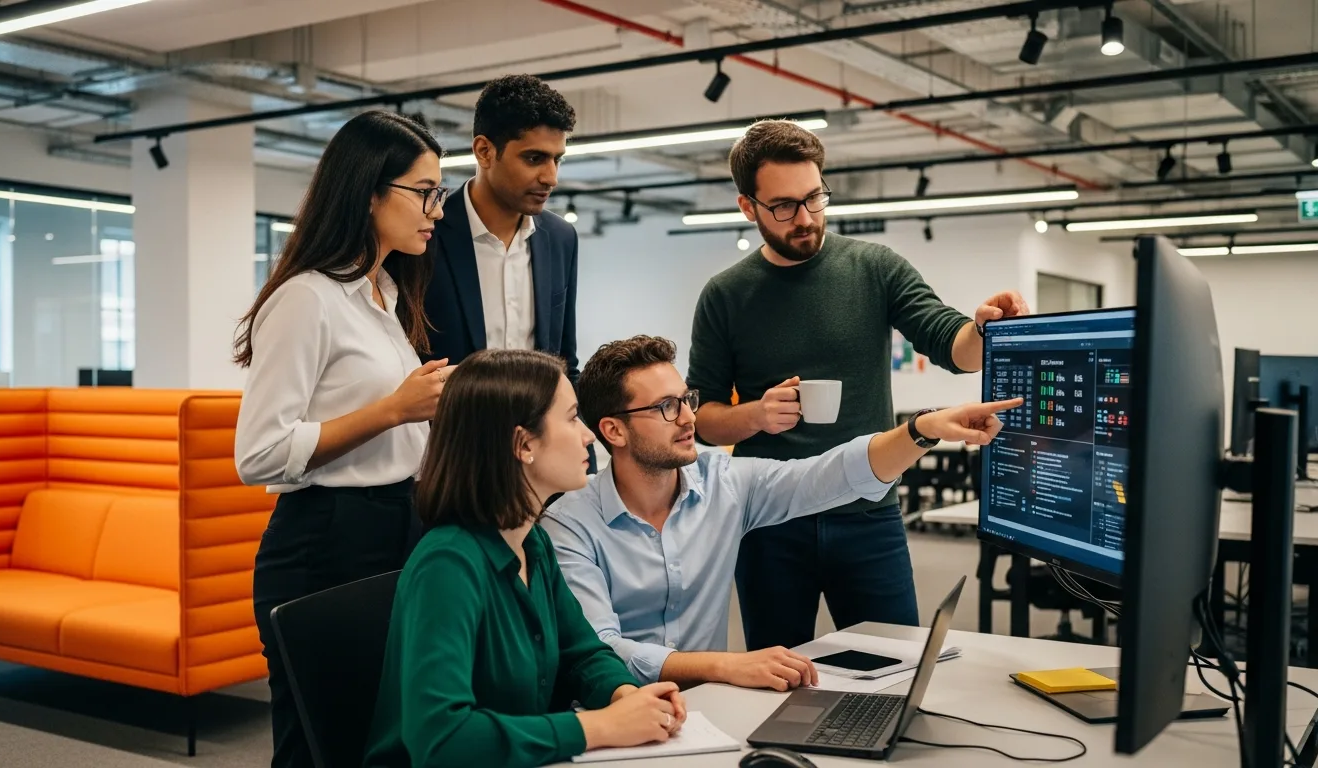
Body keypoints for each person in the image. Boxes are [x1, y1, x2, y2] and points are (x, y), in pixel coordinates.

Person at [687, 119, 1032, 652]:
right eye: (783, 206)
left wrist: (982, 329)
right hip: (770, 525)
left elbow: (952, 344)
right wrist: (755, 415)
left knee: (895, 665)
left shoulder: (874, 269)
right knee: (775, 675)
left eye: (814, 198)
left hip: (869, 515)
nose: (805, 219)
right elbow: (702, 421)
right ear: (747, 207)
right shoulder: (725, 295)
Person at [542, 336, 1019, 689]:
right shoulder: (570, 523)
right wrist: (723, 664)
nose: (690, 418)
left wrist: (921, 430)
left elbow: (827, 475)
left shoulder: (722, 482)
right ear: (614, 431)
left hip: (713, 706)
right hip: (616, 715)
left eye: (685, 400)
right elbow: (600, 648)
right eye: (667, 407)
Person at [234, 110, 454, 768]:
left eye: (439, 195)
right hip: (327, 537)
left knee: (378, 736)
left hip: (396, 523)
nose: (436, 212)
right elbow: (259, 453)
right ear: (368, 191)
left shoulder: (384, 291)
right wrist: (394, 409)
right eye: (425, 193)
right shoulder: (308, 298)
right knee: (320, 743)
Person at [365, 349, 688, 768]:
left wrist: (626, 696)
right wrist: (601, 727)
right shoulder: (447, 565)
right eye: (572, 418)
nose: (588, 436)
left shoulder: (532, 542)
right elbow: (442, 740)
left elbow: (582, 654)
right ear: (524, 444)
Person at [423, 74, 580, 378]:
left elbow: (564, 362)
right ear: (484, 151)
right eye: (534, 158)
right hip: (446, 424)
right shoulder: (426, 233)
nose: (551, 177)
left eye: (557, 160)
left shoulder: (561, 239)